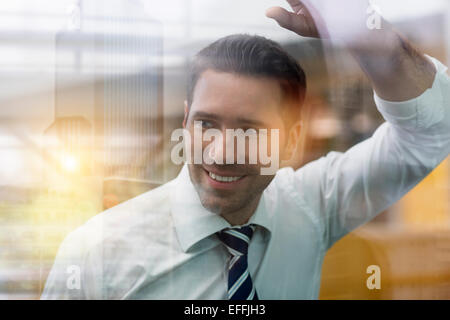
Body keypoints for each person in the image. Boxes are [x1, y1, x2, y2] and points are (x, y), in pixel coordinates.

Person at [41, 0, 450, 299]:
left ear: (291, 139)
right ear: (186, 121)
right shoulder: (95, 255)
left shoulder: (311, 205)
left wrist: (366, 31)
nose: (221, 153)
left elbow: (431, 130)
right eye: (206, 123)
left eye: (250, 130)